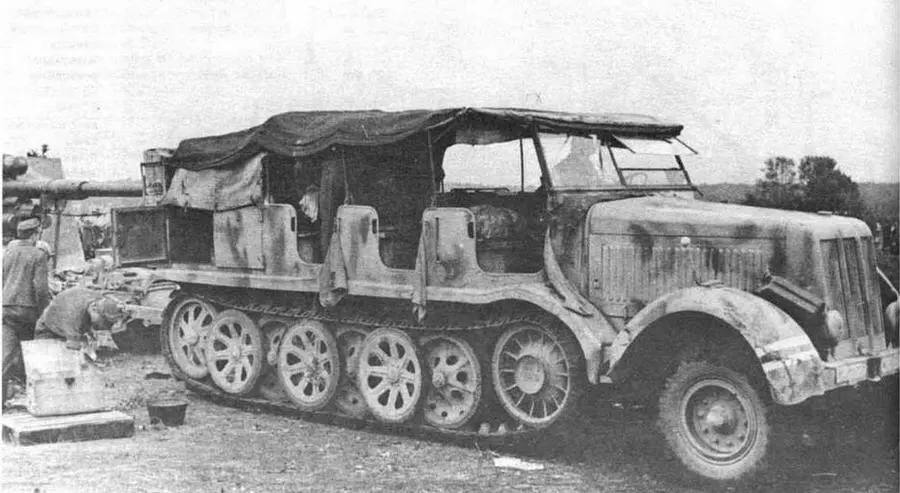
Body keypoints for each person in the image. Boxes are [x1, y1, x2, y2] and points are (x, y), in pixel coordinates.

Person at [2, 217, 51, 404]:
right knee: (35, 352)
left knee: (5, 357)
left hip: (7, 309)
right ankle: (39, 398)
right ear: (34, 235)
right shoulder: (38, 255)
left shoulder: (8, 253)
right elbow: (40, 289)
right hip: (27, 311)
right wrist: (45, 313)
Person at [34, 286, 131, 355]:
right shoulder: (73, 318)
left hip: (72, 325)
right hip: (48, 332)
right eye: (103, 321)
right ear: (94, 309)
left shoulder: (99, 299)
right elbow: (73, 347)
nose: (103, 325)